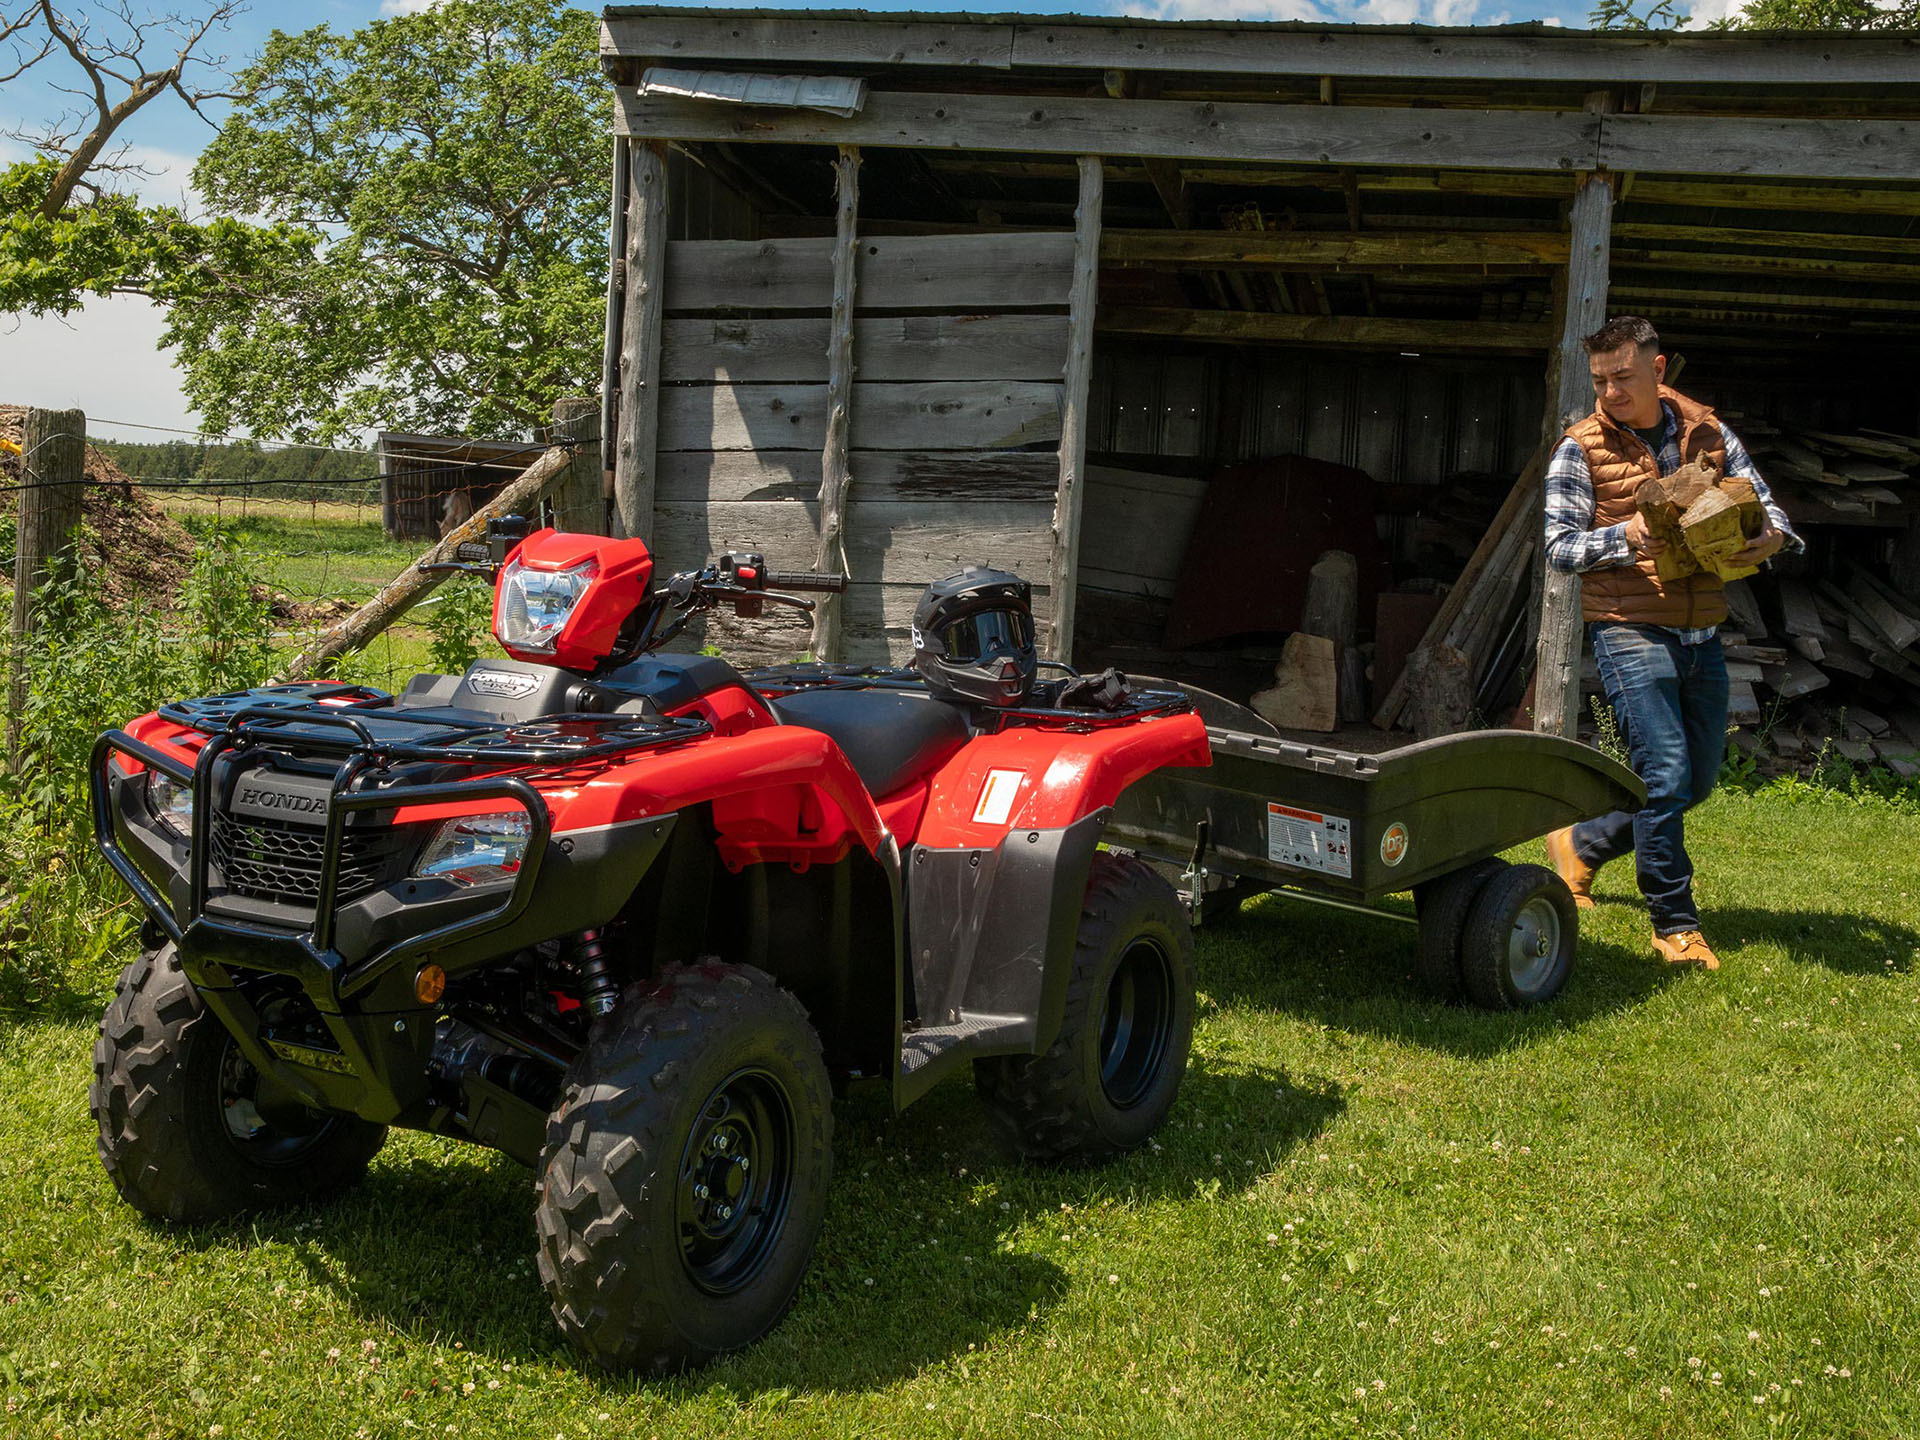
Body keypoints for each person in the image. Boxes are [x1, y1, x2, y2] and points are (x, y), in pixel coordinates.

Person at [1542, 316, 1800, 972]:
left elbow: (1764, 505)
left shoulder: (1708, 432)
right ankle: (1675, 925)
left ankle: (1582, 845)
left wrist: (1772, 537)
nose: (1610, 392)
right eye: (1600, 380)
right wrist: (1623, 536)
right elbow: (1558, 547)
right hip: (1627, 628)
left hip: (1702, 630)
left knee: (1697, 781)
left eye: (1622, 378)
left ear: (1658, 370)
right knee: (1662, 773)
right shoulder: (1580, 446)